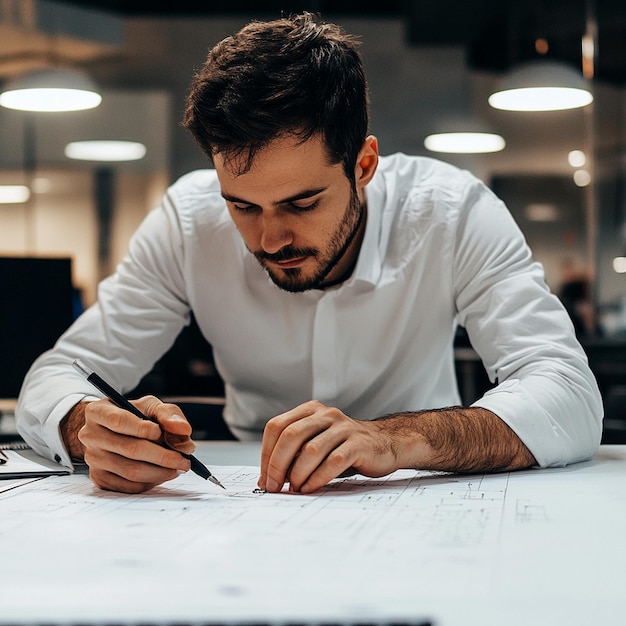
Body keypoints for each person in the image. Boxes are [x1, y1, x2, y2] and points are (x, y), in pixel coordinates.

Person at [16, 12, 602, 495]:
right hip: (244, 497)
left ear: (364, 166)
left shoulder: (453, 212)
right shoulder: (186, 222)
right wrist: (84, 424)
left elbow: (569, 394)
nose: (270, 240)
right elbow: (57, 374)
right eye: (243, 206)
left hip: (423, 485)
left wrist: (389, 440)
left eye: (301, 203)